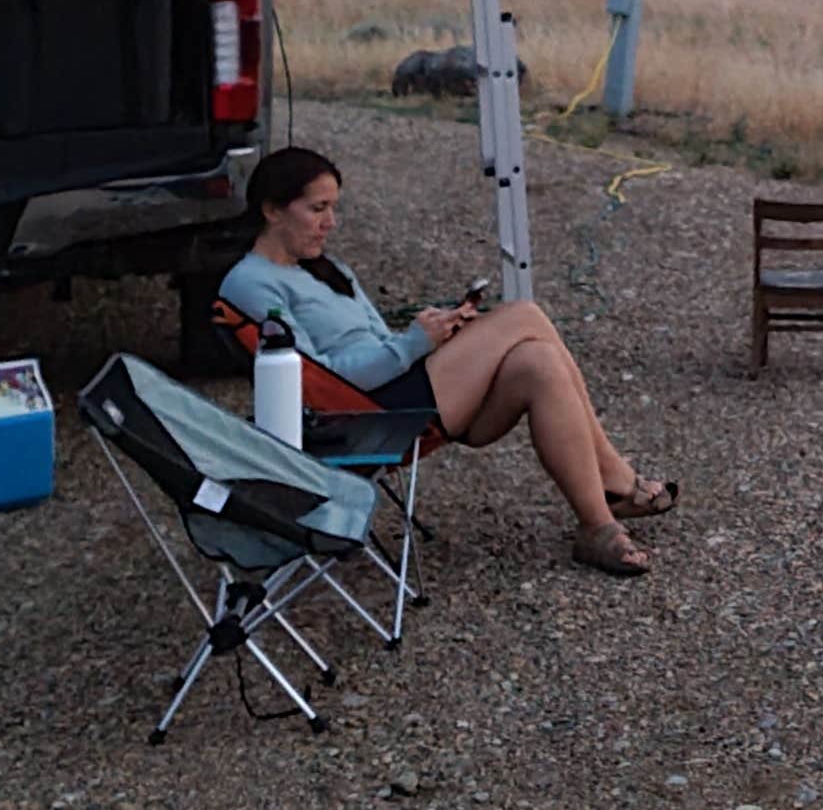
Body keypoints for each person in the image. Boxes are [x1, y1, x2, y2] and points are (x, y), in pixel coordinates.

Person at [217, 147, 675, 576]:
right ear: (272, 210)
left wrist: (435, 335)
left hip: (401, 388)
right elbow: (318, 379)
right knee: (524, 315)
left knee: (538, 361)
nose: (330, 222)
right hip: (359, 414)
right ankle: (616, 476)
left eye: (333, 208)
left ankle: (596, 525)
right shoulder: (251, 284)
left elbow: (382, 342)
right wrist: (414, 345)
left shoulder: (326, 269)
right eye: (317, 209)